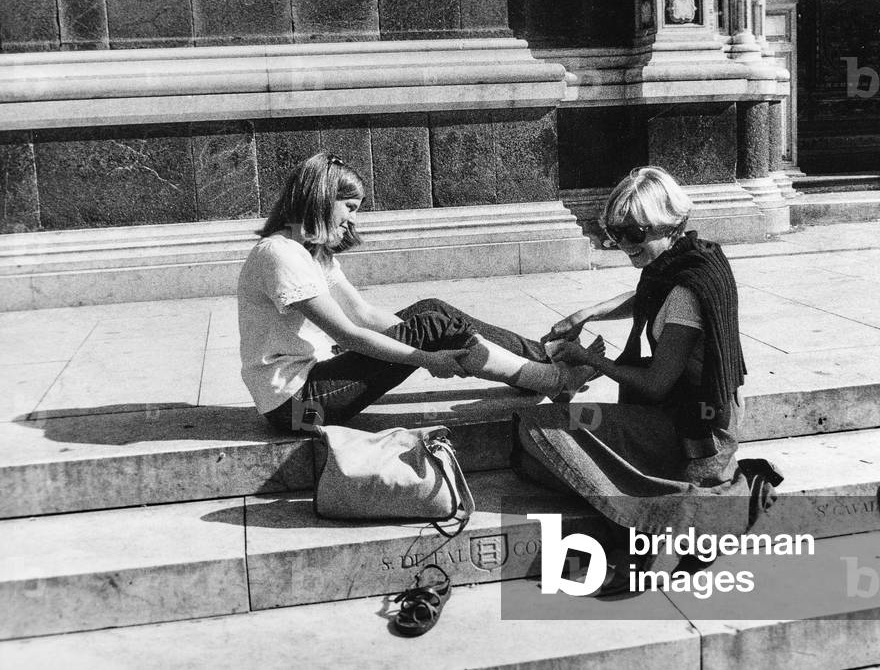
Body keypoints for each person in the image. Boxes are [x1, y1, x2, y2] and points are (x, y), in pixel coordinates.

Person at [512, 166, 781, 587]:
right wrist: (589, 311)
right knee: (530, 460)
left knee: (539, 428)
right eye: (614, 233)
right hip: (694, 416)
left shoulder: (685, 292)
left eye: (634, 234)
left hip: (695, 433)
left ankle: (692, 510)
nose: (623, 245)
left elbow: (655, 382)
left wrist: (587, 358)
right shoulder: (692, 259)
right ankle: (667, 504)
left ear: (671, 224)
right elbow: (648, 294)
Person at [237, 153, 597, 432]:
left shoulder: (309, 251)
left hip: (306, 392)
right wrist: (427, 356)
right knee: (432, 327)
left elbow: (363, 314)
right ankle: (556, 379)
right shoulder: (279, 255)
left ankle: (545, 358)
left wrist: (431, 333)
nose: (353, 221)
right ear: (322, 197)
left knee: (431, 311)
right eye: (349, 208)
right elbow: (348, 334)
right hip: (294, 411)